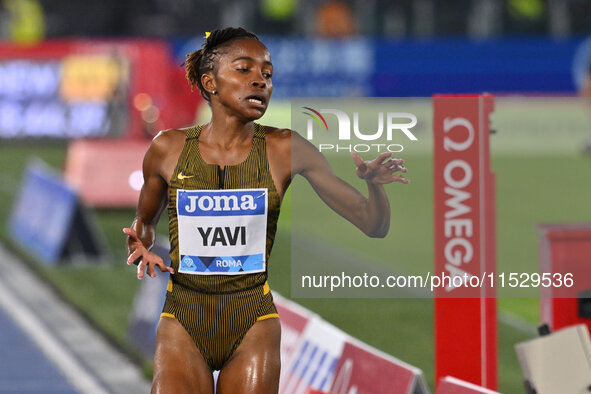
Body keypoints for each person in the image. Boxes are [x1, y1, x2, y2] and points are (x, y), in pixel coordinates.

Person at [124, 27, 408, 394]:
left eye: (268, 74)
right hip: (183, 320)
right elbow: (144, 222)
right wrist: (141, 244)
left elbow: (373, 224)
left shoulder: (286, 149)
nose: (260, 81)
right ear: (210, 82)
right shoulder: (168, 149)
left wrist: (375, 185)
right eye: (245, 70)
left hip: (252, 325)